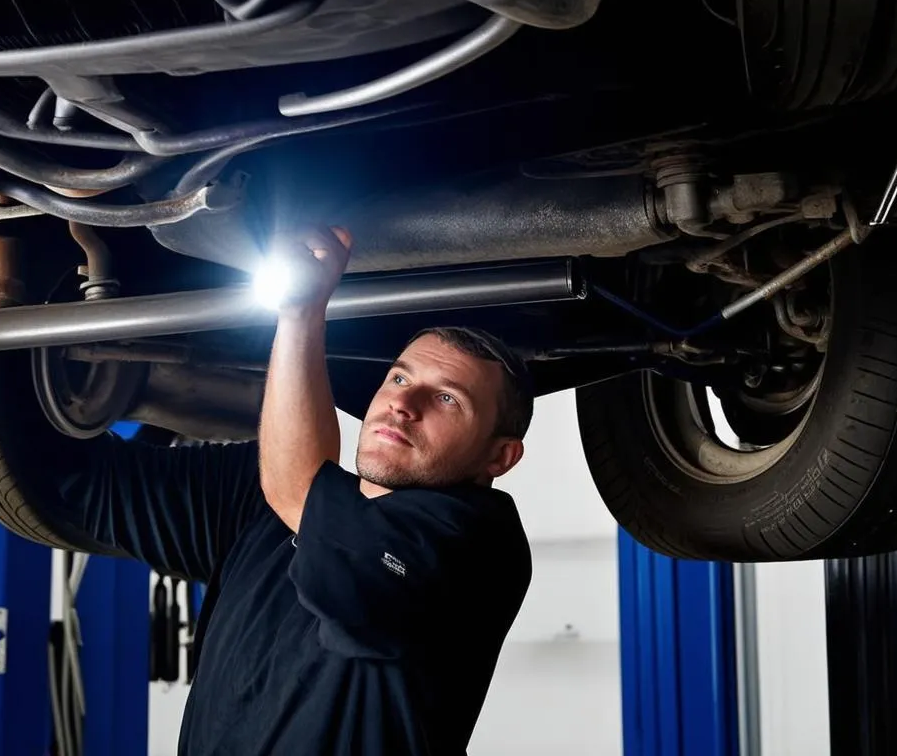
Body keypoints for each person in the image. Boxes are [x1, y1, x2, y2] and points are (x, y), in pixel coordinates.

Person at [30, 226, 533, 755]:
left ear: (499, 457)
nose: (404, 405)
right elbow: (70, 475)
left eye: (449, 399)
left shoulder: (474, 545)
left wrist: (301, 311)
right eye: (401, 379)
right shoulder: (260, 494)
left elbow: (300, 490)